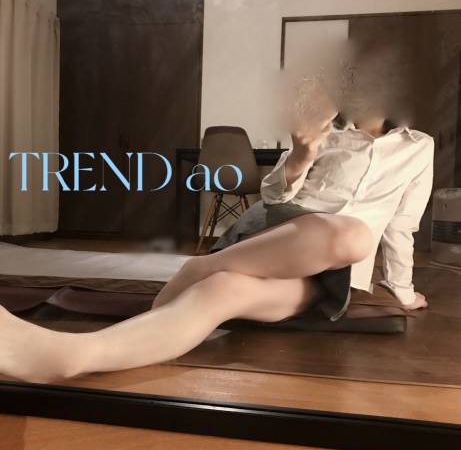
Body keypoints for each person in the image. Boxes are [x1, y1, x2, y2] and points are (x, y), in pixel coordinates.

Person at [0, 79, 434, 384]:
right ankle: (198, 269)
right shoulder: (325, 135)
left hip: (332, 274)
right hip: (283, 236)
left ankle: (69, 355)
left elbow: (402, 225)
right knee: (347, 236)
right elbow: (272, 194)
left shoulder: (419, 147)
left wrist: (403, 290)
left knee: (226, 288)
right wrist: (302, 153)